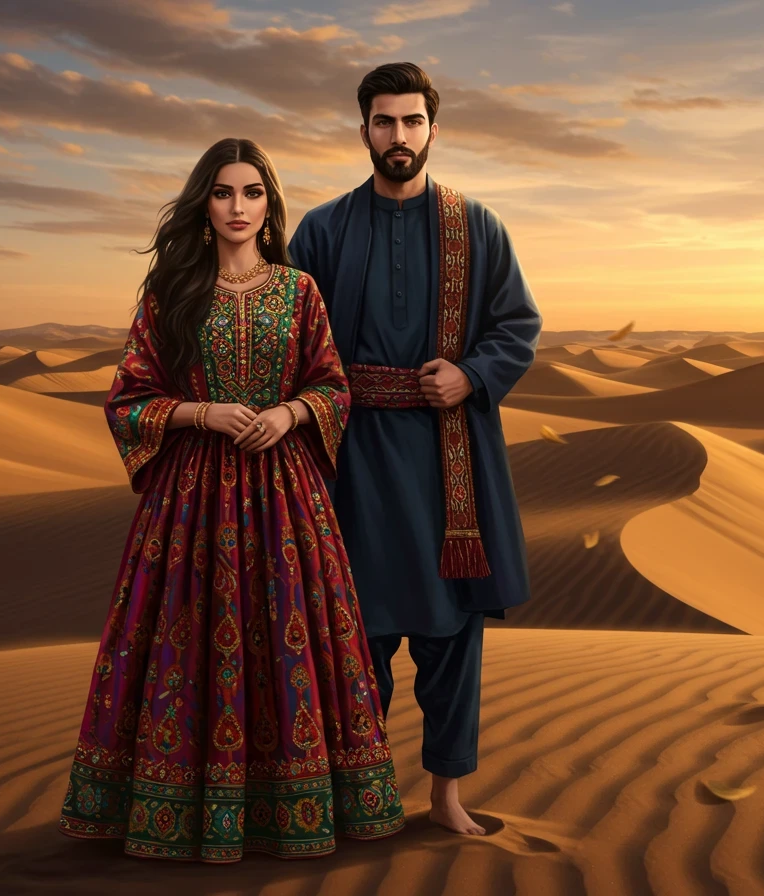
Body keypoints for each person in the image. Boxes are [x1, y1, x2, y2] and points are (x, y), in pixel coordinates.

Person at [57, 137, 405, 862]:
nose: (237, 207)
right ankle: (177, 814)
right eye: (223, 192)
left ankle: (296, 810)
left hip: (287, 499)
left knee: (290, 636)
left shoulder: (300, 292)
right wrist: (201, 413)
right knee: (185, 642)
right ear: (204, 203)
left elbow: (333, 387)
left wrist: (290, 414)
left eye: (252, 193)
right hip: (190, 503)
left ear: (269, 205)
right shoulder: (170, 293)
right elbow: (127, 401)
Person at [289, 63, 542, 836]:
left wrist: (471, 375)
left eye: (411, 121)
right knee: (351, 630)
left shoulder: (477, 226)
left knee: (450, 631)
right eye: (383, 121)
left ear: (432, 128)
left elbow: (517, 326)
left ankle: (445, 797)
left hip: (448, 462)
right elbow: (286, 337)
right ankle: (358, 794)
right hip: (349, 462)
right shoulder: (322, 229)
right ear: (363, 128)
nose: (398, 136)